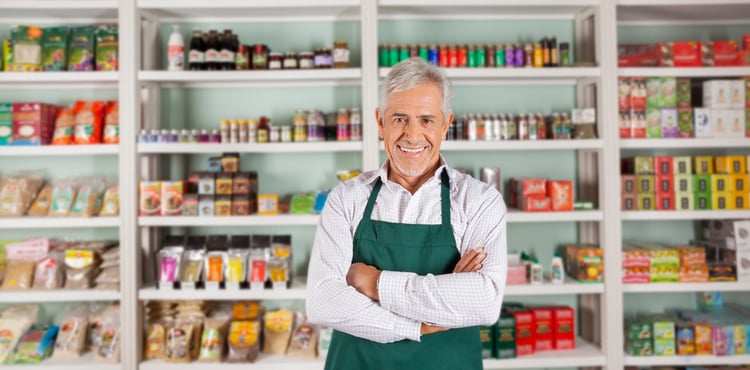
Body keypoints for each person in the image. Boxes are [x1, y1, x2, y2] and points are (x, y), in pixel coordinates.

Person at [306, 57, 507, 370]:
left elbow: (483, 301)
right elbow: (323, 302)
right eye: (399, 119)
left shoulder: (479, 201)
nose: (412, 136)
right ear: (380, 121)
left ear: (446, 124)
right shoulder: (346, 199)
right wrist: (418, 322)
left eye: (426, 120)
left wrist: (374, 283)